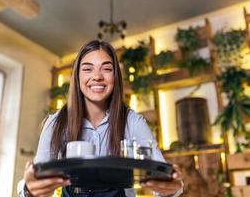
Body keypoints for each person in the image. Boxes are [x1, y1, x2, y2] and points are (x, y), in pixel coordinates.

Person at [18, 40, 183, 197]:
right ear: (77, 76)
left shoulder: (132, 122)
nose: (97, 76)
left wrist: (171, 187)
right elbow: (39, 183)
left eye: (106, 69)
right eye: (88, 69)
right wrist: (30, 190)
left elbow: (161, 178)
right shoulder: (56, 122)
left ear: (115, 77)